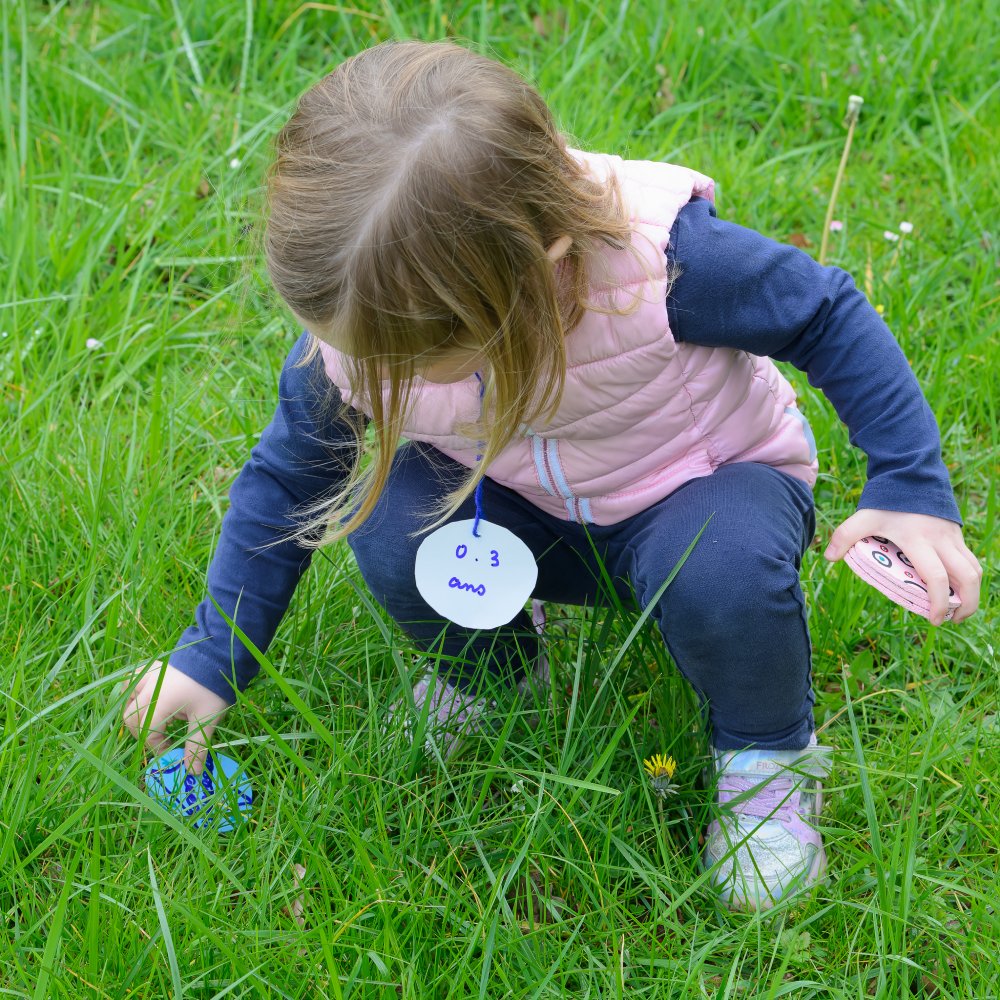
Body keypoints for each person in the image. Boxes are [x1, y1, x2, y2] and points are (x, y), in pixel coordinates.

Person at [122, 39, 982, 911]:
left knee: (719, 574)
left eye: (422, 355)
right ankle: (491, 675)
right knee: (385, 517)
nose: (380, 371)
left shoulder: (664, 266)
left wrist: (910, 488)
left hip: (699, 486)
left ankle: (765, 758)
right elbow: (286, 479)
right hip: (514, 503)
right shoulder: (363, 334)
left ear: (542, 264)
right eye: (356, 347)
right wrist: (211, 658)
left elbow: (826, 313)